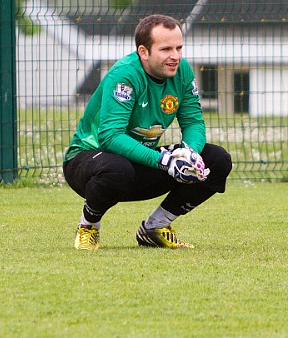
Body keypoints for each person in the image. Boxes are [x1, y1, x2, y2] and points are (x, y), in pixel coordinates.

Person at [63, 14, 233, 250]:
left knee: (217, 160)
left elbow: (193, 122)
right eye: (165, 49)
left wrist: (189, 153)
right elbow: (110, 137)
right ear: (144, 52)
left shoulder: (182, 71)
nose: (175, 56)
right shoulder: (124, 75)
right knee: (116, 169)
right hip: (89, 162)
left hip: (139, 163)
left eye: (179, 48)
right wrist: (164, 160)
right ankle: (88, 226)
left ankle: (155, 227)